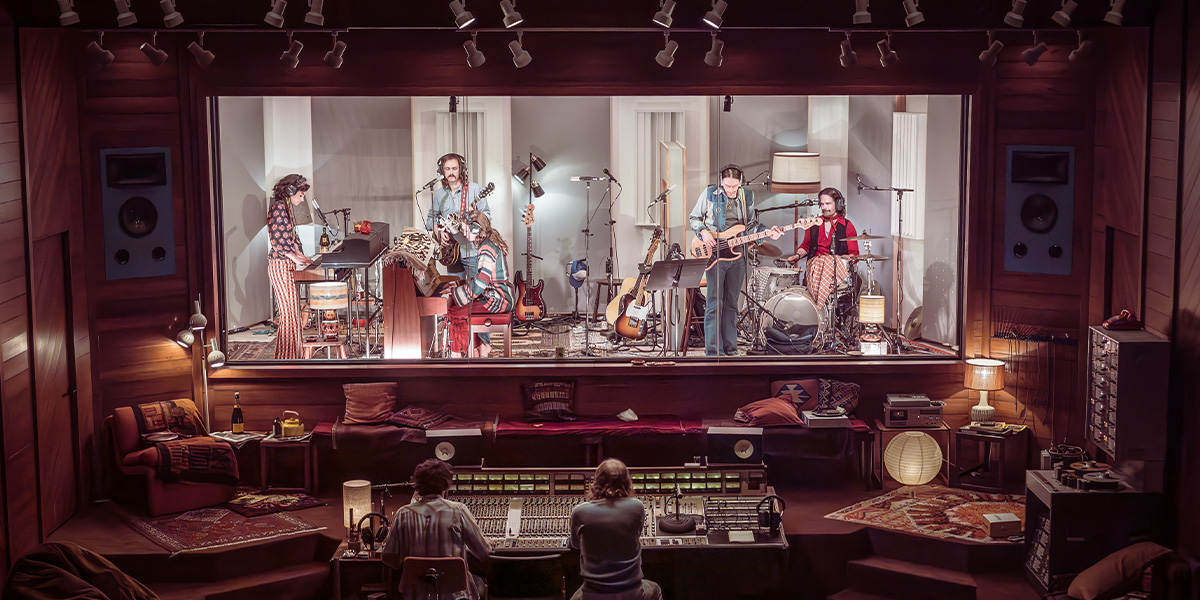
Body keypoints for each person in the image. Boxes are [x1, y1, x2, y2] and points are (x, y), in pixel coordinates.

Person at [688, 164, 783, 356]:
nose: (730, 190)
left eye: (734, 186)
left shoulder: (746, 196)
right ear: (721, 182)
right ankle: (714, 351)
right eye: (727, 186)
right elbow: (694, 218)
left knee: (732, 303)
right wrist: (703, 232)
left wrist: (766, 233)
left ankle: (730, 349)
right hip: (714, 252)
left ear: (741, 183)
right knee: (714, 303)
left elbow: (751, 225)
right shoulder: (709, 194)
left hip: (738, 253)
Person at [381, 459, 493, 600]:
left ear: (418, 486)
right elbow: (484, 551)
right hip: (455, 596)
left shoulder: (403, 513)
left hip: (415, 596)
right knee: (479, 581)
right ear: (445, 485)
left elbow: (390, 558)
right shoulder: (458, 511)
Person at [568, 459, 662, 600]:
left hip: (592, 596)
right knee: (655, 589)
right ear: (627, 484)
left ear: (595, 484)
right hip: (632, 594)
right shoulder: (637, 507)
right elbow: (636, 535)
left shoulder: (579, 512)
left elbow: (575, 545)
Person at [440, 210, 515, 358]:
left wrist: (455, 293)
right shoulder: (487, 243)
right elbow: (481, 280)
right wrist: (458, 287)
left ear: (476, 229)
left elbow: (480, 284)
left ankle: (464, 353)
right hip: (498, 295)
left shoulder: (486, 248)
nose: (464, 233)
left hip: (498, 299)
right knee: (457, 309)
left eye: (466, 230)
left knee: (455, 312)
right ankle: (477, 347)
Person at [784, 187, 860, 308]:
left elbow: (854, 255)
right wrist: (797, 256)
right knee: (818, 262)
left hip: (835, 272)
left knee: (827, 261)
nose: (824, 207)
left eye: (828, 204)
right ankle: (817, 309)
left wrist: (840, 259)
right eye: (822, 204)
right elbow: (805, 246)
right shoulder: (814, 223)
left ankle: (820, 306)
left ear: (838, 204)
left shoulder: (847, 226)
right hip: (815, 269)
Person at [266, 173, 315, 360]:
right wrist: (294, 257)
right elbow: (278, 240)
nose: (302, 200)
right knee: (289, 315)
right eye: (300, 195)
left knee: (292, 314)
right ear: (291, 190)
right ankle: (288, 359)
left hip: (286, 265)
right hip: (280, 266)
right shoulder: (278, 207)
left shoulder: (285, 207)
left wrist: (301, 256)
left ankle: (289, 356)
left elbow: (291, 238)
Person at [426, 153, 492, 274]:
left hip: (472, 251)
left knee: (476, 285)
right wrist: (438, 232)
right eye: (447, 169)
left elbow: (487, 216)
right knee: (454, 284)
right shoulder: (440, 194)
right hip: (450, 253)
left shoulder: (474, 189)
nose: (451, 172)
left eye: (454, 168)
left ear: (461, 170)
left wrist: (474, 215)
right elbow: (431, 218)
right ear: (442, 171)